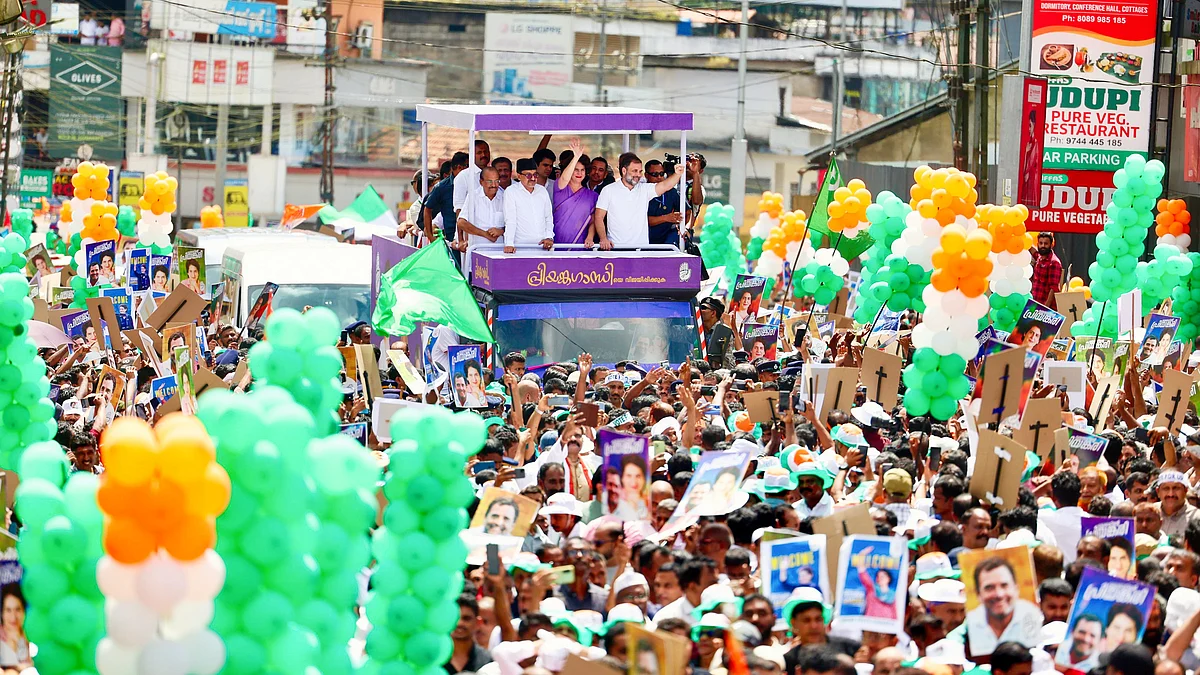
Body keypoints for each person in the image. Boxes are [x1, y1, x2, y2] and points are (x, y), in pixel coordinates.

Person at [590, 153, 685, 249]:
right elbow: (598, 217)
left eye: (640, 171)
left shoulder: (644, 189)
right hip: (616, 248)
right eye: (634, 171)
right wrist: (603, 239)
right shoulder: (608, 190)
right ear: (624, 170)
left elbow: (665, 186)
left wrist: (677, 174)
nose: (638, 175)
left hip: (641, 249)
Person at [963, 557, 1043, 654]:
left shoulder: (1033, 614)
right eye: (989, 588)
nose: (999, 594)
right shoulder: (971, 621)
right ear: (978, 594)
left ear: (1016, 589)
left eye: (1004, 585)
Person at [552, 139, 599, 245]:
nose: (579, 173)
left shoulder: (592, 196)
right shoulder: (560, 187)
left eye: (582, 170)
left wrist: (590, 237)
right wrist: (576, 157)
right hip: (556, 244)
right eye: (575, 169)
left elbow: (593, 220)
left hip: (580, 245)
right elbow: (564, 179)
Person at [456, 167, 505, 268]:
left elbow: (515, 222)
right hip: (478, 254)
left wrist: (502, 231)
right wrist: (485, 234)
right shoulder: (473, 196)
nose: (494, 185)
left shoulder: (505, 196)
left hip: (500, 255)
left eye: (497, 181)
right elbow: (461, 222)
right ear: (481, 182)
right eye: (490, 181)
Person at [502, 158, 554, 253]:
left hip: (542, 246)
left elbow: (548, 218)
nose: (533, 179)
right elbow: (510, 220)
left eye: (535, 175)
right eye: (528, 175)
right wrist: (509, 243)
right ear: (519, 176)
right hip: (520, 247)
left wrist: (549, 237)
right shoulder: (511, 191)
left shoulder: (542, 191)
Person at [854, 546, 897, 619]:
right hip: (871, 626)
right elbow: (862, 572)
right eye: (878, 576)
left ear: (888, 579)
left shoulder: (893, 595)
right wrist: (862, 555)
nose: (880, 578)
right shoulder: (872, 589)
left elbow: (895, 613)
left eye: (882, 576)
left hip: (887, 627)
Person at [698, 297, 735, 368]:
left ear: (713, 313)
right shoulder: (697, 329)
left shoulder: (724, 332)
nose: (700, 310)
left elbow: (727, 360)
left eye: (703, 308)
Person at [1031, 232, 1063, 310]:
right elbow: (1034, 252)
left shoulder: (1054, 262)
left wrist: (1045, 308)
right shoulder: (1039, 258)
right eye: (1041, 243)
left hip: (1046, 307)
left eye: (1046, 243)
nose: (1043, 246)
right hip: (1035, 303)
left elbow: (1054, 288)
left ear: (1051, 245)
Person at [0, 585, 28, 670]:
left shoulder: (32, 635)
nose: (13, 617)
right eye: (8, 610)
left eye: (18, 609)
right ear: (2, 613)